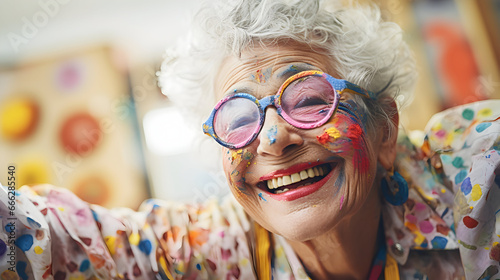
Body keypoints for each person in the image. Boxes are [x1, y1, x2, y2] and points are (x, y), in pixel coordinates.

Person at [1, 0, 499, 279]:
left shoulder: (471, 174)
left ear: (384, 128)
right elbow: (51, 238)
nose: (274, 138)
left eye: (307, 99)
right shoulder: (208, 249)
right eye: (239, 118)